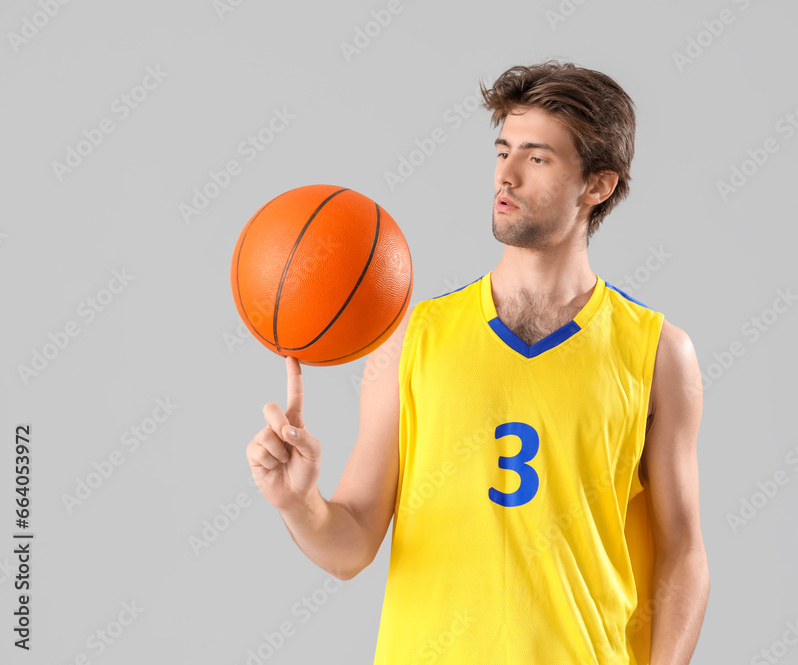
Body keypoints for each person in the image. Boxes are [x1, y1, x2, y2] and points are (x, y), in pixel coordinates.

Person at [246, 60, 709, 664]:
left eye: (537, 158)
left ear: (598, 186)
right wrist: (297, 502)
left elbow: (683, 553)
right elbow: (350, 546)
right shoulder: (411, 338)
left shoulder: (658, 352)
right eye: (502, 151)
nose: (507, 176)